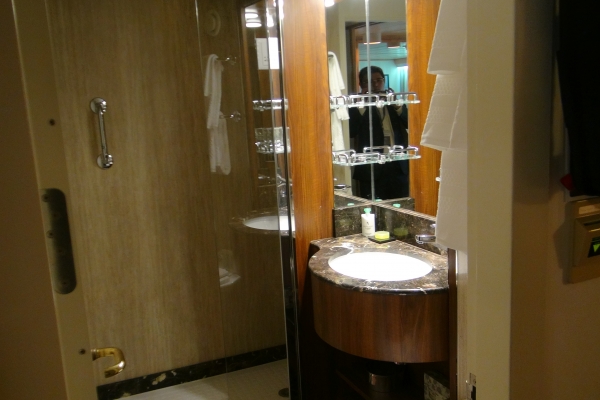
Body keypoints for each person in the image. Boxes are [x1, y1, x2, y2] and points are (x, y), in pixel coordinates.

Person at [349, 66, 409, 200]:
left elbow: (411, 124)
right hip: (371, 167)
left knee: (401, 204)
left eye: (379, 80)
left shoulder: (393, 101)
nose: (375, 85)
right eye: (369, 82)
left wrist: (397, 106)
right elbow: (351, 132)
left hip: (397, 165)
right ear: (361, 84)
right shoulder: (356, 106)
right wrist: (361, 106)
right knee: (372, 209)